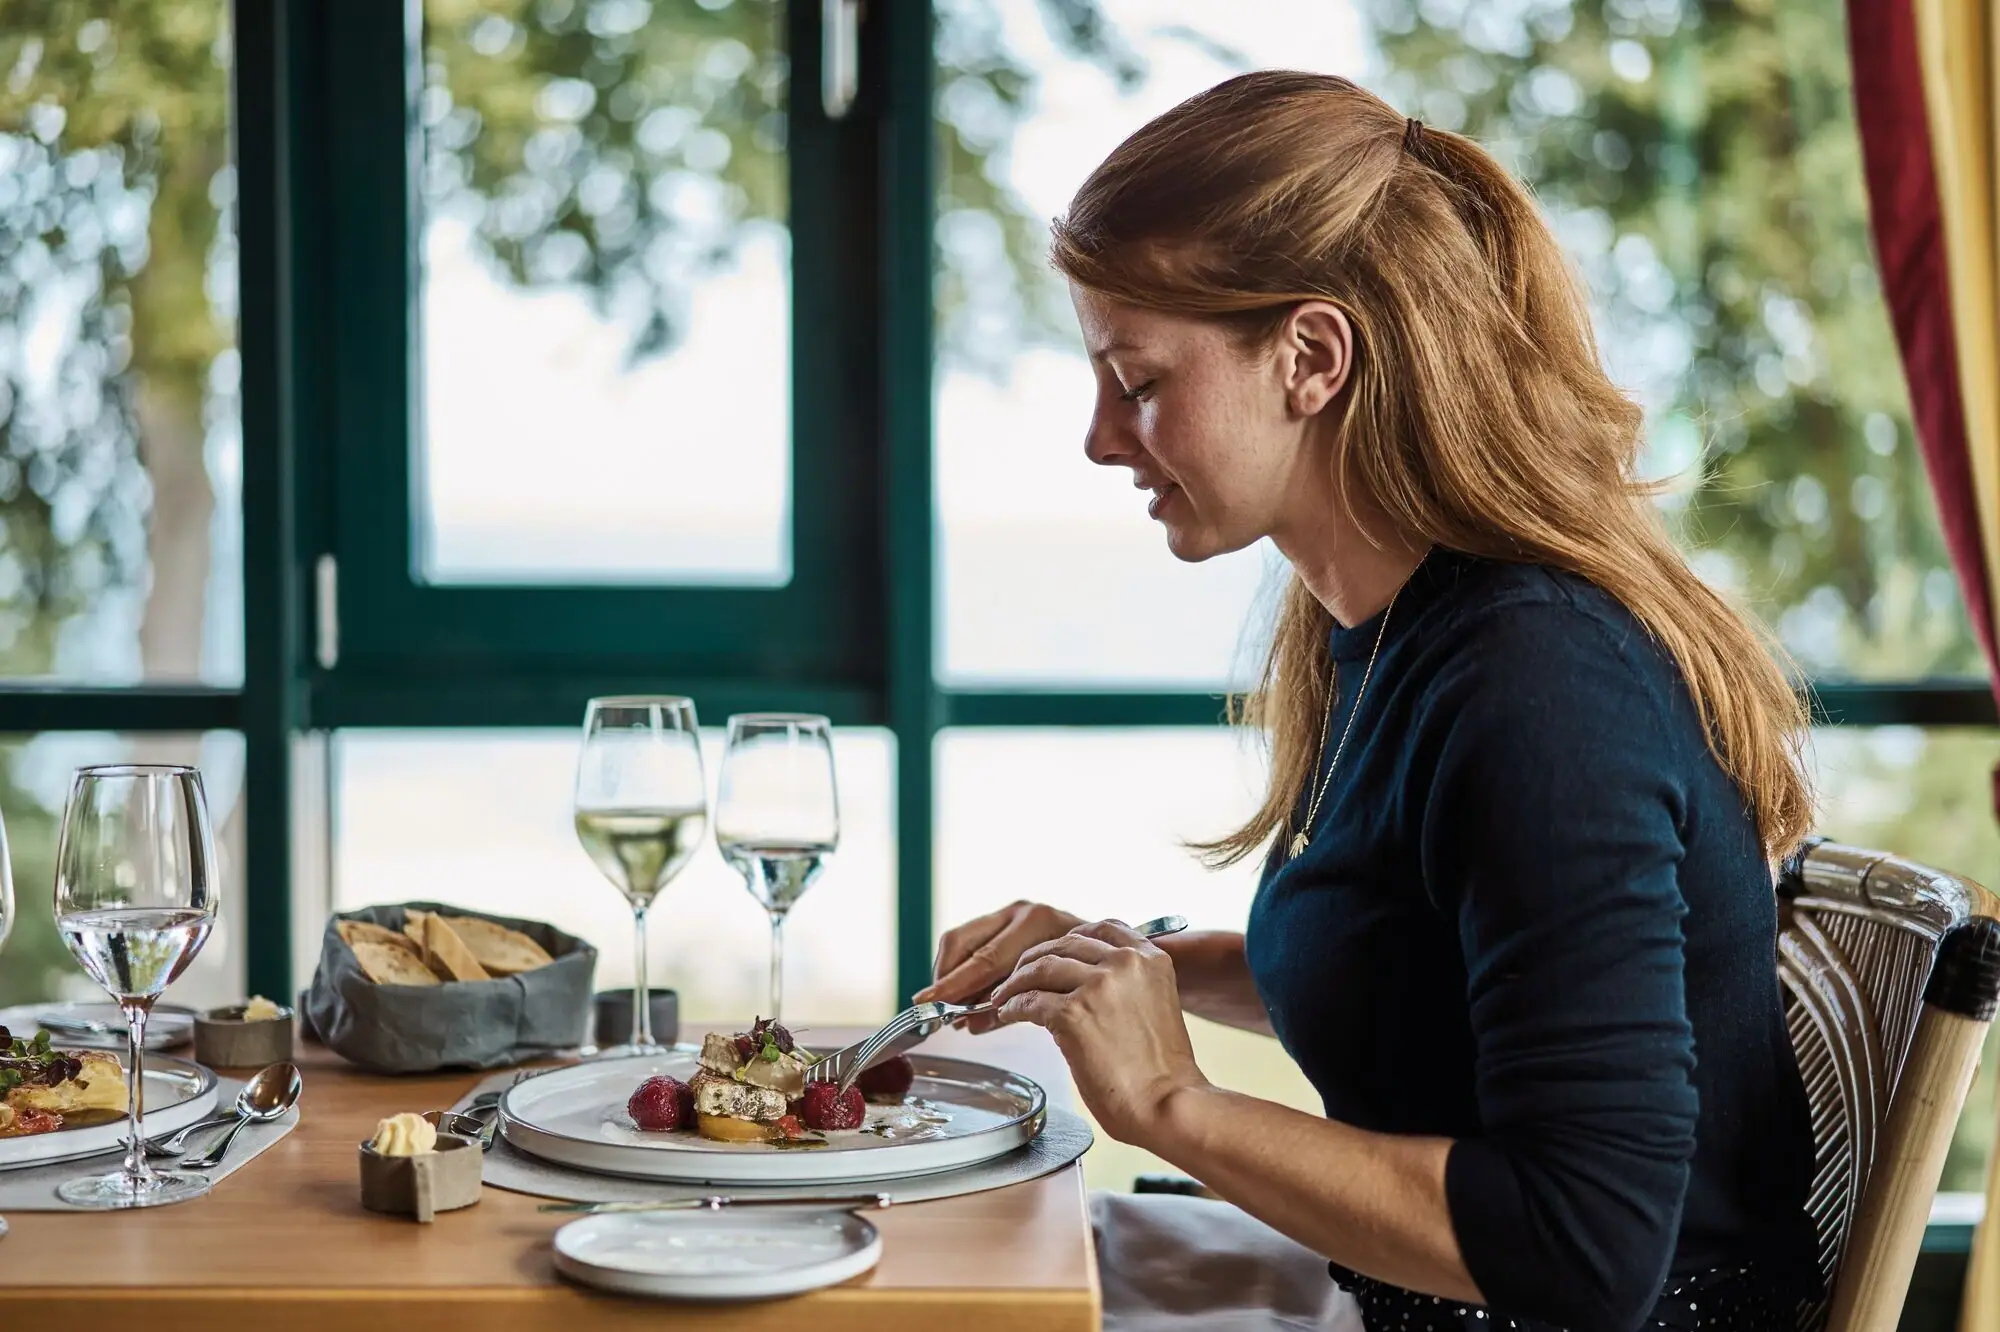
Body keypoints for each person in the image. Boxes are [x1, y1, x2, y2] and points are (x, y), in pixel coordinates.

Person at [915, 70, 1823, 1332]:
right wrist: (1135, 974)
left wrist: (1169, 1100)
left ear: (1309, 359)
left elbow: (1583, 1246)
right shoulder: (1391, 627)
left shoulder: (1537, 691)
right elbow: (1421, 979)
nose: (1099, 439)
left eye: (1136, 382)